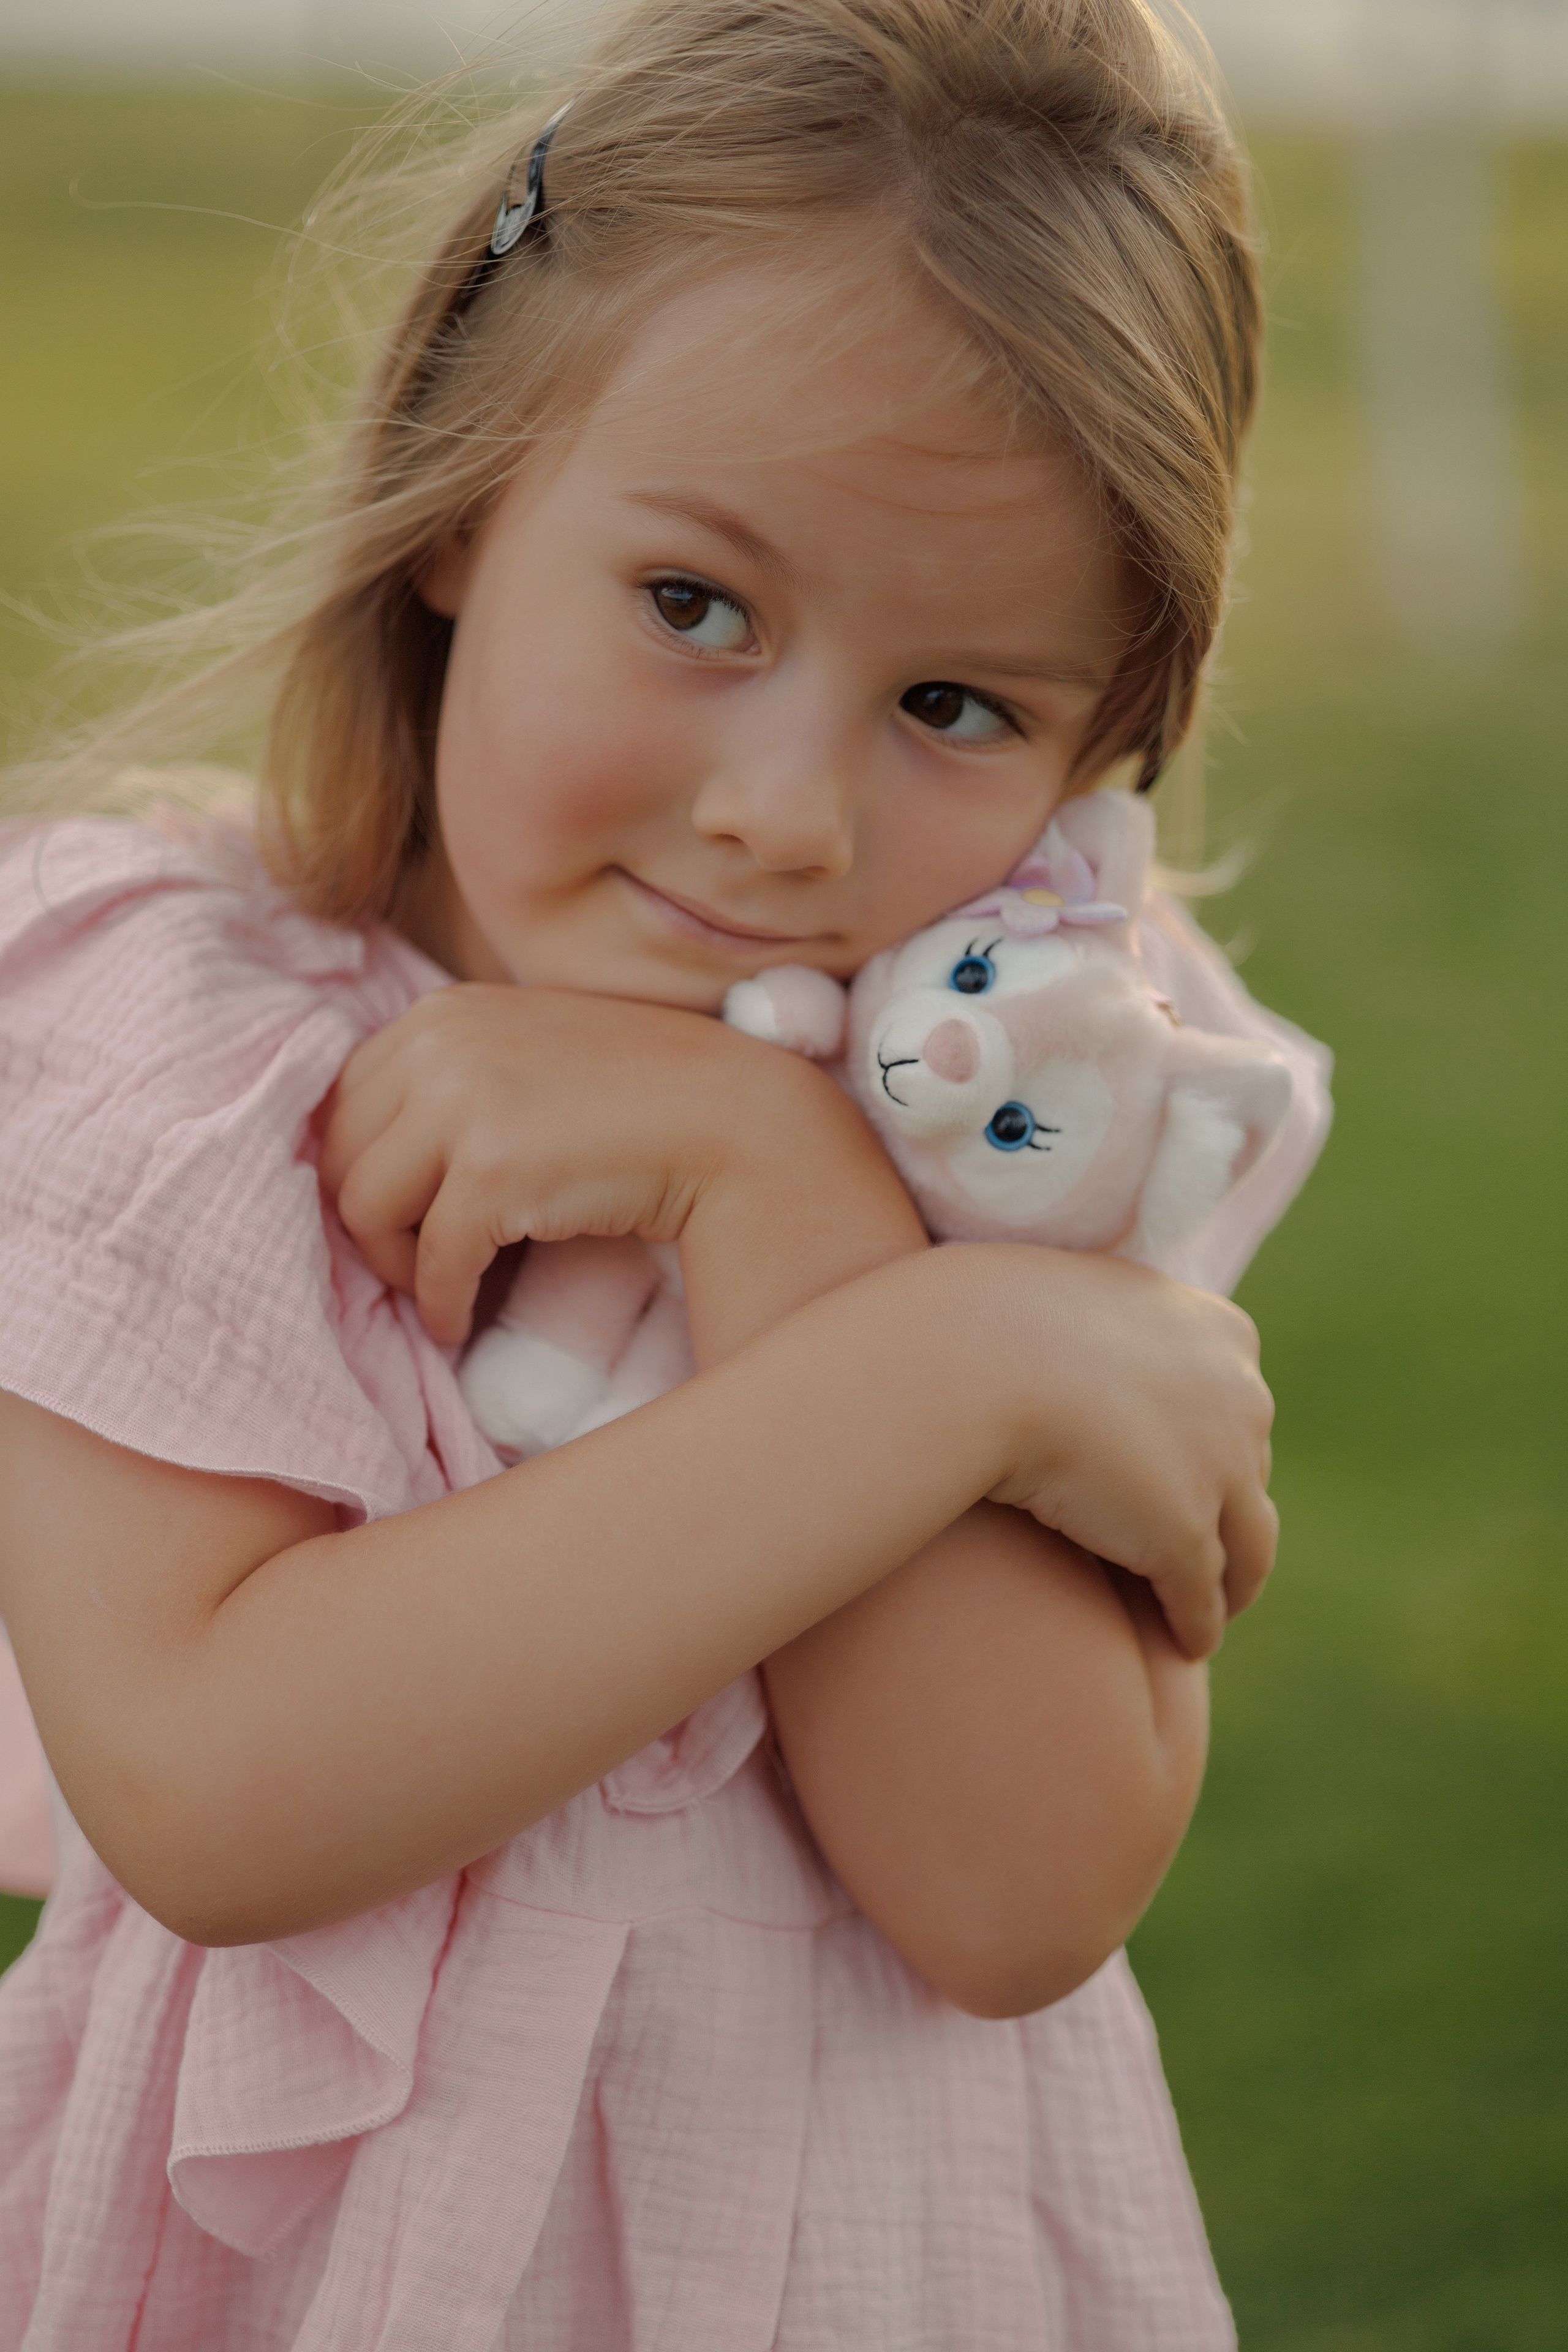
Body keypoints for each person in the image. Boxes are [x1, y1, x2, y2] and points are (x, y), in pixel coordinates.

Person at [0, 0, 1331, 2342]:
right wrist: (957, 1371)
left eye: (957, 706)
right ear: (461, 491)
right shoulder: (164, 1033)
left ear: (1105, 725)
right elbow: (218, 1791)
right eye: (695, 606)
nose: (782, 817)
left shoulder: (1036, 1087)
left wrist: (776, 1180)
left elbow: (1013, 1893)